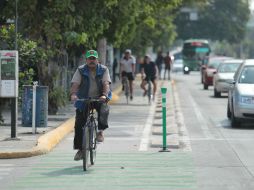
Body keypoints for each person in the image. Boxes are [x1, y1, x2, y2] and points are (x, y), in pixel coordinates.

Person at [70, 50, 112, 161]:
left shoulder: (103, 69)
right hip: (84, 98)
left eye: (94, 58)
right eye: (90, 58)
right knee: (79, 123)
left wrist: (104, 95)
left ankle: (100, 131)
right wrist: (74, 94)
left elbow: (106, 83)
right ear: (86, 60)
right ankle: (80, 149)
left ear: (97, 60)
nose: (92, 61)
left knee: (104, 109)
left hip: (99, 97)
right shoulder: (80, 70)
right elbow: (75, 84)